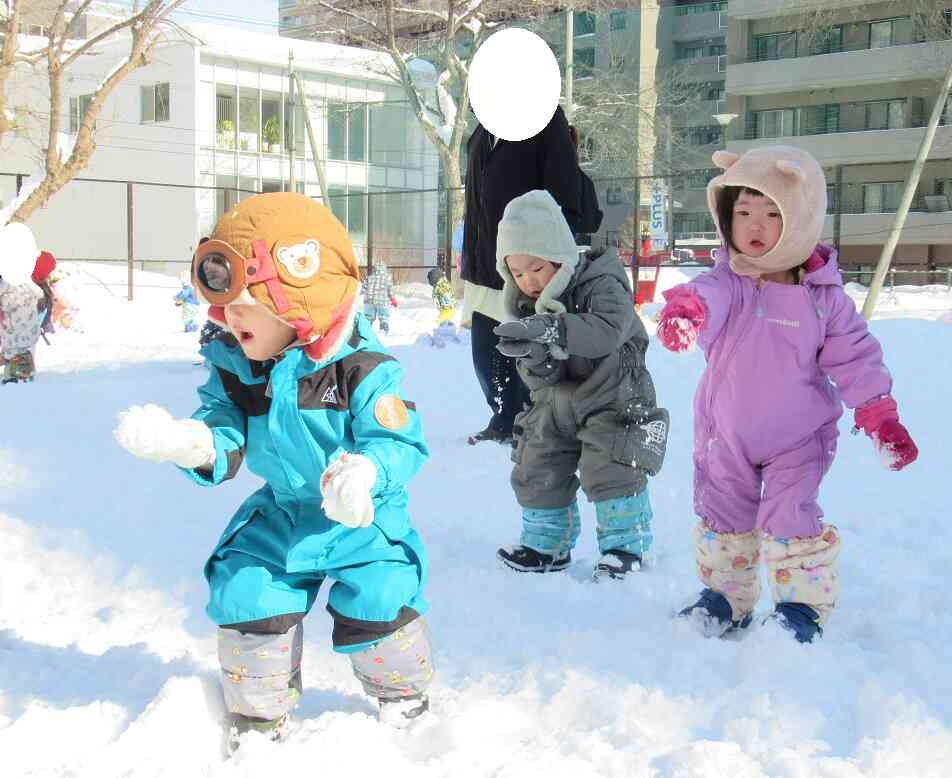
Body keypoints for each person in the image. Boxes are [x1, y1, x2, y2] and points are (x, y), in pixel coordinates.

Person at [113, 192, 434, 751]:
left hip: (363, 515)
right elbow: (223, 427)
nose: (226, 316)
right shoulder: (240, 368)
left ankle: (403, 697)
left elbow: (397, 440)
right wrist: (190, 443)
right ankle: (259, 718)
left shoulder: (362, 368)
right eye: (223, 306)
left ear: (295, 302)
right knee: (249, 589)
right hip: (284, 511)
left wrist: (365, 474)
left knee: (382, 596)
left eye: (244, 304)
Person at [657, 146, 919, 643]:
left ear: (801, 218)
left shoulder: (823, 299)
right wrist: (687, 309)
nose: (755, 225)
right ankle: (725, 599)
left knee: (790, 516)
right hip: (727, 434)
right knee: (724, 517)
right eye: (743, 212)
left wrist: (880, 416)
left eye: (773, 213)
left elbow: (856, 358)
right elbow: (706, 295)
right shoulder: (729, 282)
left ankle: (801, 607)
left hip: (798, 439)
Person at [492, 190, 668, 580]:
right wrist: (533, 355)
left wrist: (551, 329)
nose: (528, 281)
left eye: (536, 268)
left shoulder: (602, 281)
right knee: (537, 462)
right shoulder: (524, 304)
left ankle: (624, 547)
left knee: (610, 463)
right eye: (516, 273)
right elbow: (540, 381)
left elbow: (605, 331)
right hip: (557, 401)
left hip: (613, 392)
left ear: (558, 254)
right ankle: (546, 545)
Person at [461, 106, 584, 445]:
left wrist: (555, 255)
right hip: (487, 259)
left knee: (531, 349)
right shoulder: (482, 130)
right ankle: (503, 417)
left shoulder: (543, 118)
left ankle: (530, 422)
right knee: (487, 351)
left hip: (530, 265)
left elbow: (564, 191)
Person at [0, 251, 53, 384]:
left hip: (15, 338)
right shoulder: (37, 290)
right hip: (23, 339)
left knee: (17, 355)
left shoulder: (17, 284)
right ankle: (20, 373)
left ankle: (18, 374)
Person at [361, 261, 395, 334]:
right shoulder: (387, 278)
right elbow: (390, 290)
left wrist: (360, 294)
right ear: (384, 269)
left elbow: (363, 288)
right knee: (383, 316)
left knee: (368, 316)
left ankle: (366, 329)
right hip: (382, 301)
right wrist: (392, 299)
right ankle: (384, 327)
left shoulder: (369, 277)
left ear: (374, 269)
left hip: (369, 300)